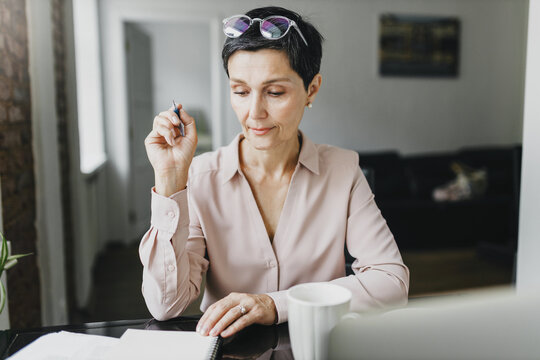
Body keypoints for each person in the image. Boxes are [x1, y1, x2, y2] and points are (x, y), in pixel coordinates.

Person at [140, 6, 409, 339]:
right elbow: (166, 305)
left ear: (311, 90)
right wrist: (169, 181)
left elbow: (391, 282)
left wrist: (275, 305)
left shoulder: (343, 171)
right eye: (240, 91)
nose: (255, 113)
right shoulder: (200, 176)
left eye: (275, 92)